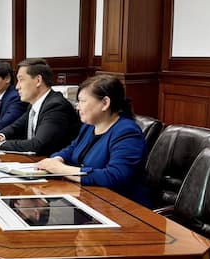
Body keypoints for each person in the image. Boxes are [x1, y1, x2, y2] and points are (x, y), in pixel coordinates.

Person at [35, 74, 149, 206]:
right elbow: (71, 149)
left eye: (82, 101)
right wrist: (56, 159)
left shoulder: (127, 132)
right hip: (88, 198)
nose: (78, 107)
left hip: (121, 207)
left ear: (105, 103)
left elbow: (114, 176)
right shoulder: (89, 126)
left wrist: (61, 169)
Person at [0, 58, 80, 155]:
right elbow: (16, 127)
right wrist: (0, 135)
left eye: (21, 80)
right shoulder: (34, 105)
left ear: (38, 80)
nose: (17, 86)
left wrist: (0, 145)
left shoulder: (55, 106)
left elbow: (38, 145)